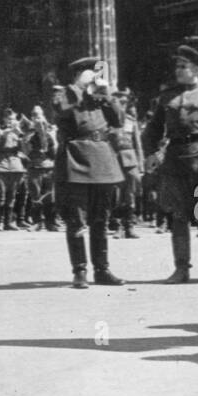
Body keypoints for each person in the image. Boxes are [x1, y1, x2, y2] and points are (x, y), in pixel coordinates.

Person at [143, 46, 198, 283]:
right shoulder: (167, 97)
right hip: (176, 160)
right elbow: (152, 131)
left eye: (183, 66)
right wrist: (150, 154)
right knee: (178, 217)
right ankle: (181, 268)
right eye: (177, 66)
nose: (178, 71)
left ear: (197, 69)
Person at [54, 56, 125, 289]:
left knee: (101, 219)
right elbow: (61, 109)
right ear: (79, 74)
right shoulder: (65, 93)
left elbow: (119, 120)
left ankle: (102, 269)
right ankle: (80, 271)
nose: (96, 78)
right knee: (76, 220)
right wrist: (79, 87)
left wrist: (107, 95)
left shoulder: (100, 99)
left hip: (103, 160)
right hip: (76, 160)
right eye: (92, 73)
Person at [110, 91, 145, 239]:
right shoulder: (107, 121)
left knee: (130, 193)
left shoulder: (131, 121)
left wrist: (141, 165)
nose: (122, 105)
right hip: (113, 160)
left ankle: (129, 226)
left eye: (124, 102)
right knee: (116, 193)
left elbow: (138, 143)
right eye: (119, 102)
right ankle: (117, 226)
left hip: (130, 160)